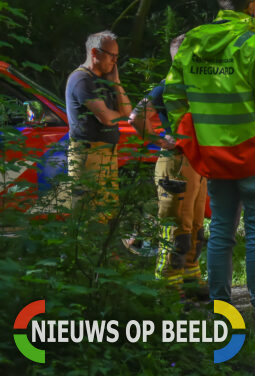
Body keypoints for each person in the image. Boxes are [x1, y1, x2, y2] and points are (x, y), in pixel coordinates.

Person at [164, 0, 255, 336]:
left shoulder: (192, 42)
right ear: (252, 5)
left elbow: (174, 96)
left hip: (214, 158)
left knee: (221, 233)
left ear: (221, 3)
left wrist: (191, 138)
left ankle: (221, 314)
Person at [128, 34, 208, 300]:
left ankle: (191, 279)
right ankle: (168, 290)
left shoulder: (198, 86)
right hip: (175, 164)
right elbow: (136, 117)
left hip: (197, 163)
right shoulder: (166, 87)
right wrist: (160, 139)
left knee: (196, 226)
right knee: (176, 228)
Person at [65, 31, 132, 215]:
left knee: (106, 213)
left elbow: (127, 112)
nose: (115, 61)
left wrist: (117, 83)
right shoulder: (81, 80)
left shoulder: (104, 80)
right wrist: (117, 114)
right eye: (112, 55)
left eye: (117, 56)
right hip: (89, 154)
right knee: (89, 216)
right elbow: (107, 118)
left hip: (106, 153)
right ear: (95, 52)